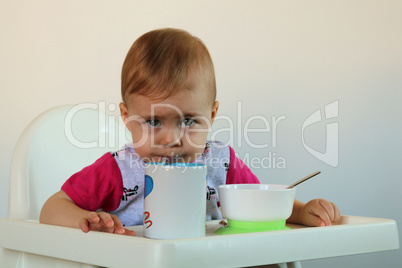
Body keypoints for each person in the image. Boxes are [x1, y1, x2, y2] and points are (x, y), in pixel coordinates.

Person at [40, 28, 341, 236]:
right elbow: (52, 209)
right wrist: (86, 220)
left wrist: (302, 212)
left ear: (211, 116)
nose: (171, 139)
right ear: (126, 117)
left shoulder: (221, 161)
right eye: (154, 122)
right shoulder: (119, 169)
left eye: (188, 121)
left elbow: (259, 207)